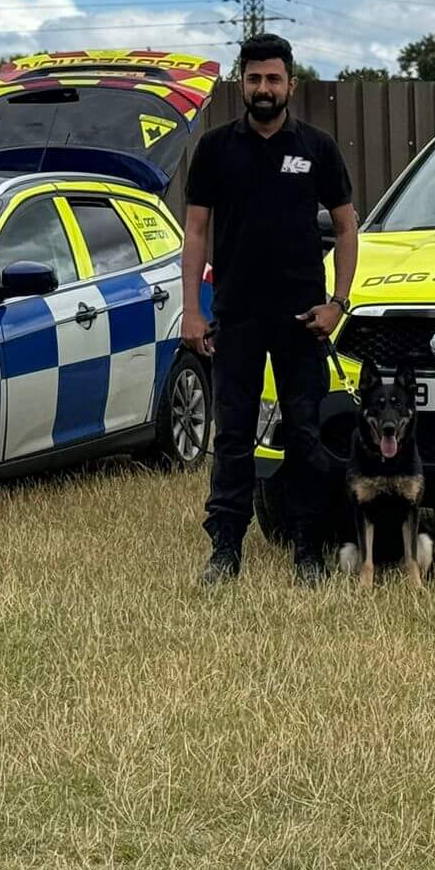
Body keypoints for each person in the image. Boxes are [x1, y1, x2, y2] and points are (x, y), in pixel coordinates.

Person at [180, 32, 359, 587]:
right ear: (241, 83)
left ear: (291, 84)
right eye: (254, 78)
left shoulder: (317, 148)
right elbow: (196, 232)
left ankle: (308, 551)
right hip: (235, 315)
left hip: (302, 318)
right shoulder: (214, 148)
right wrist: (192, 310)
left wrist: (337, 303)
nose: (264, 88)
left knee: (304, 434)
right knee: (233, 435)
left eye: (273, 78)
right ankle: (225, 549)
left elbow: (347, 227)